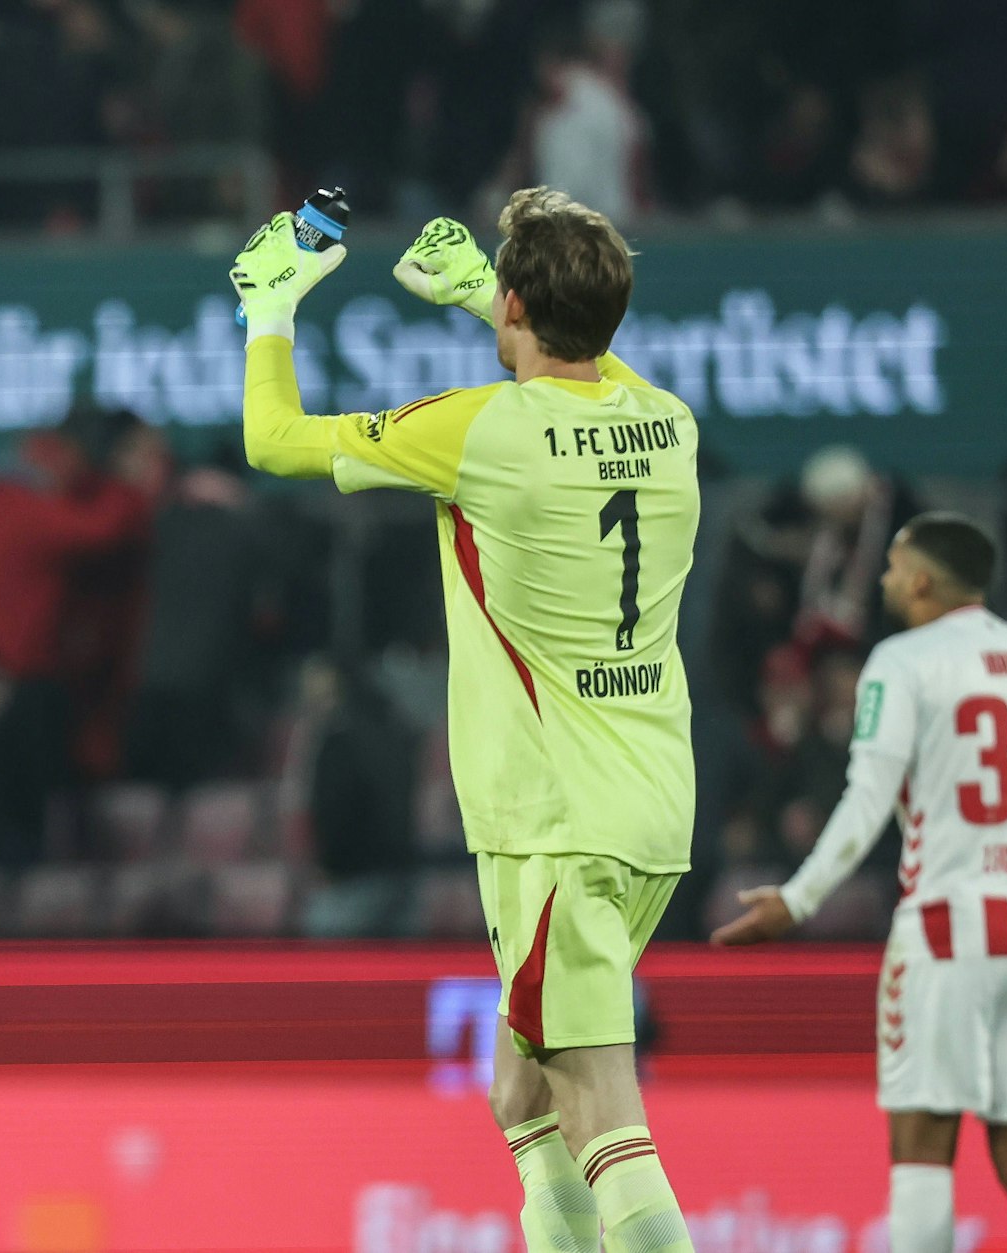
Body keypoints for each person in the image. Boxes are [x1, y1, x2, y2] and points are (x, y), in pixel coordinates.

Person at [233, 189, 699, 1250]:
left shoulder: (480, 429)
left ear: (516, 303)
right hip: (648, 814)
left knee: (597, 1114)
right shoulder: (667, 423)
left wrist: (267, 307)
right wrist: (477, 300)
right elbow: (591, 372)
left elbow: (271, 440)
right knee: (520, 1097)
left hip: (552, 827)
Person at [714, 514, 1007, 1251]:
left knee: (923, 1137)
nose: (885, 579)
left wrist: (797, 897)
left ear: (923, 580)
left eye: (894, 567)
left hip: (946, 931)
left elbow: (867, 797)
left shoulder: (901, 659)